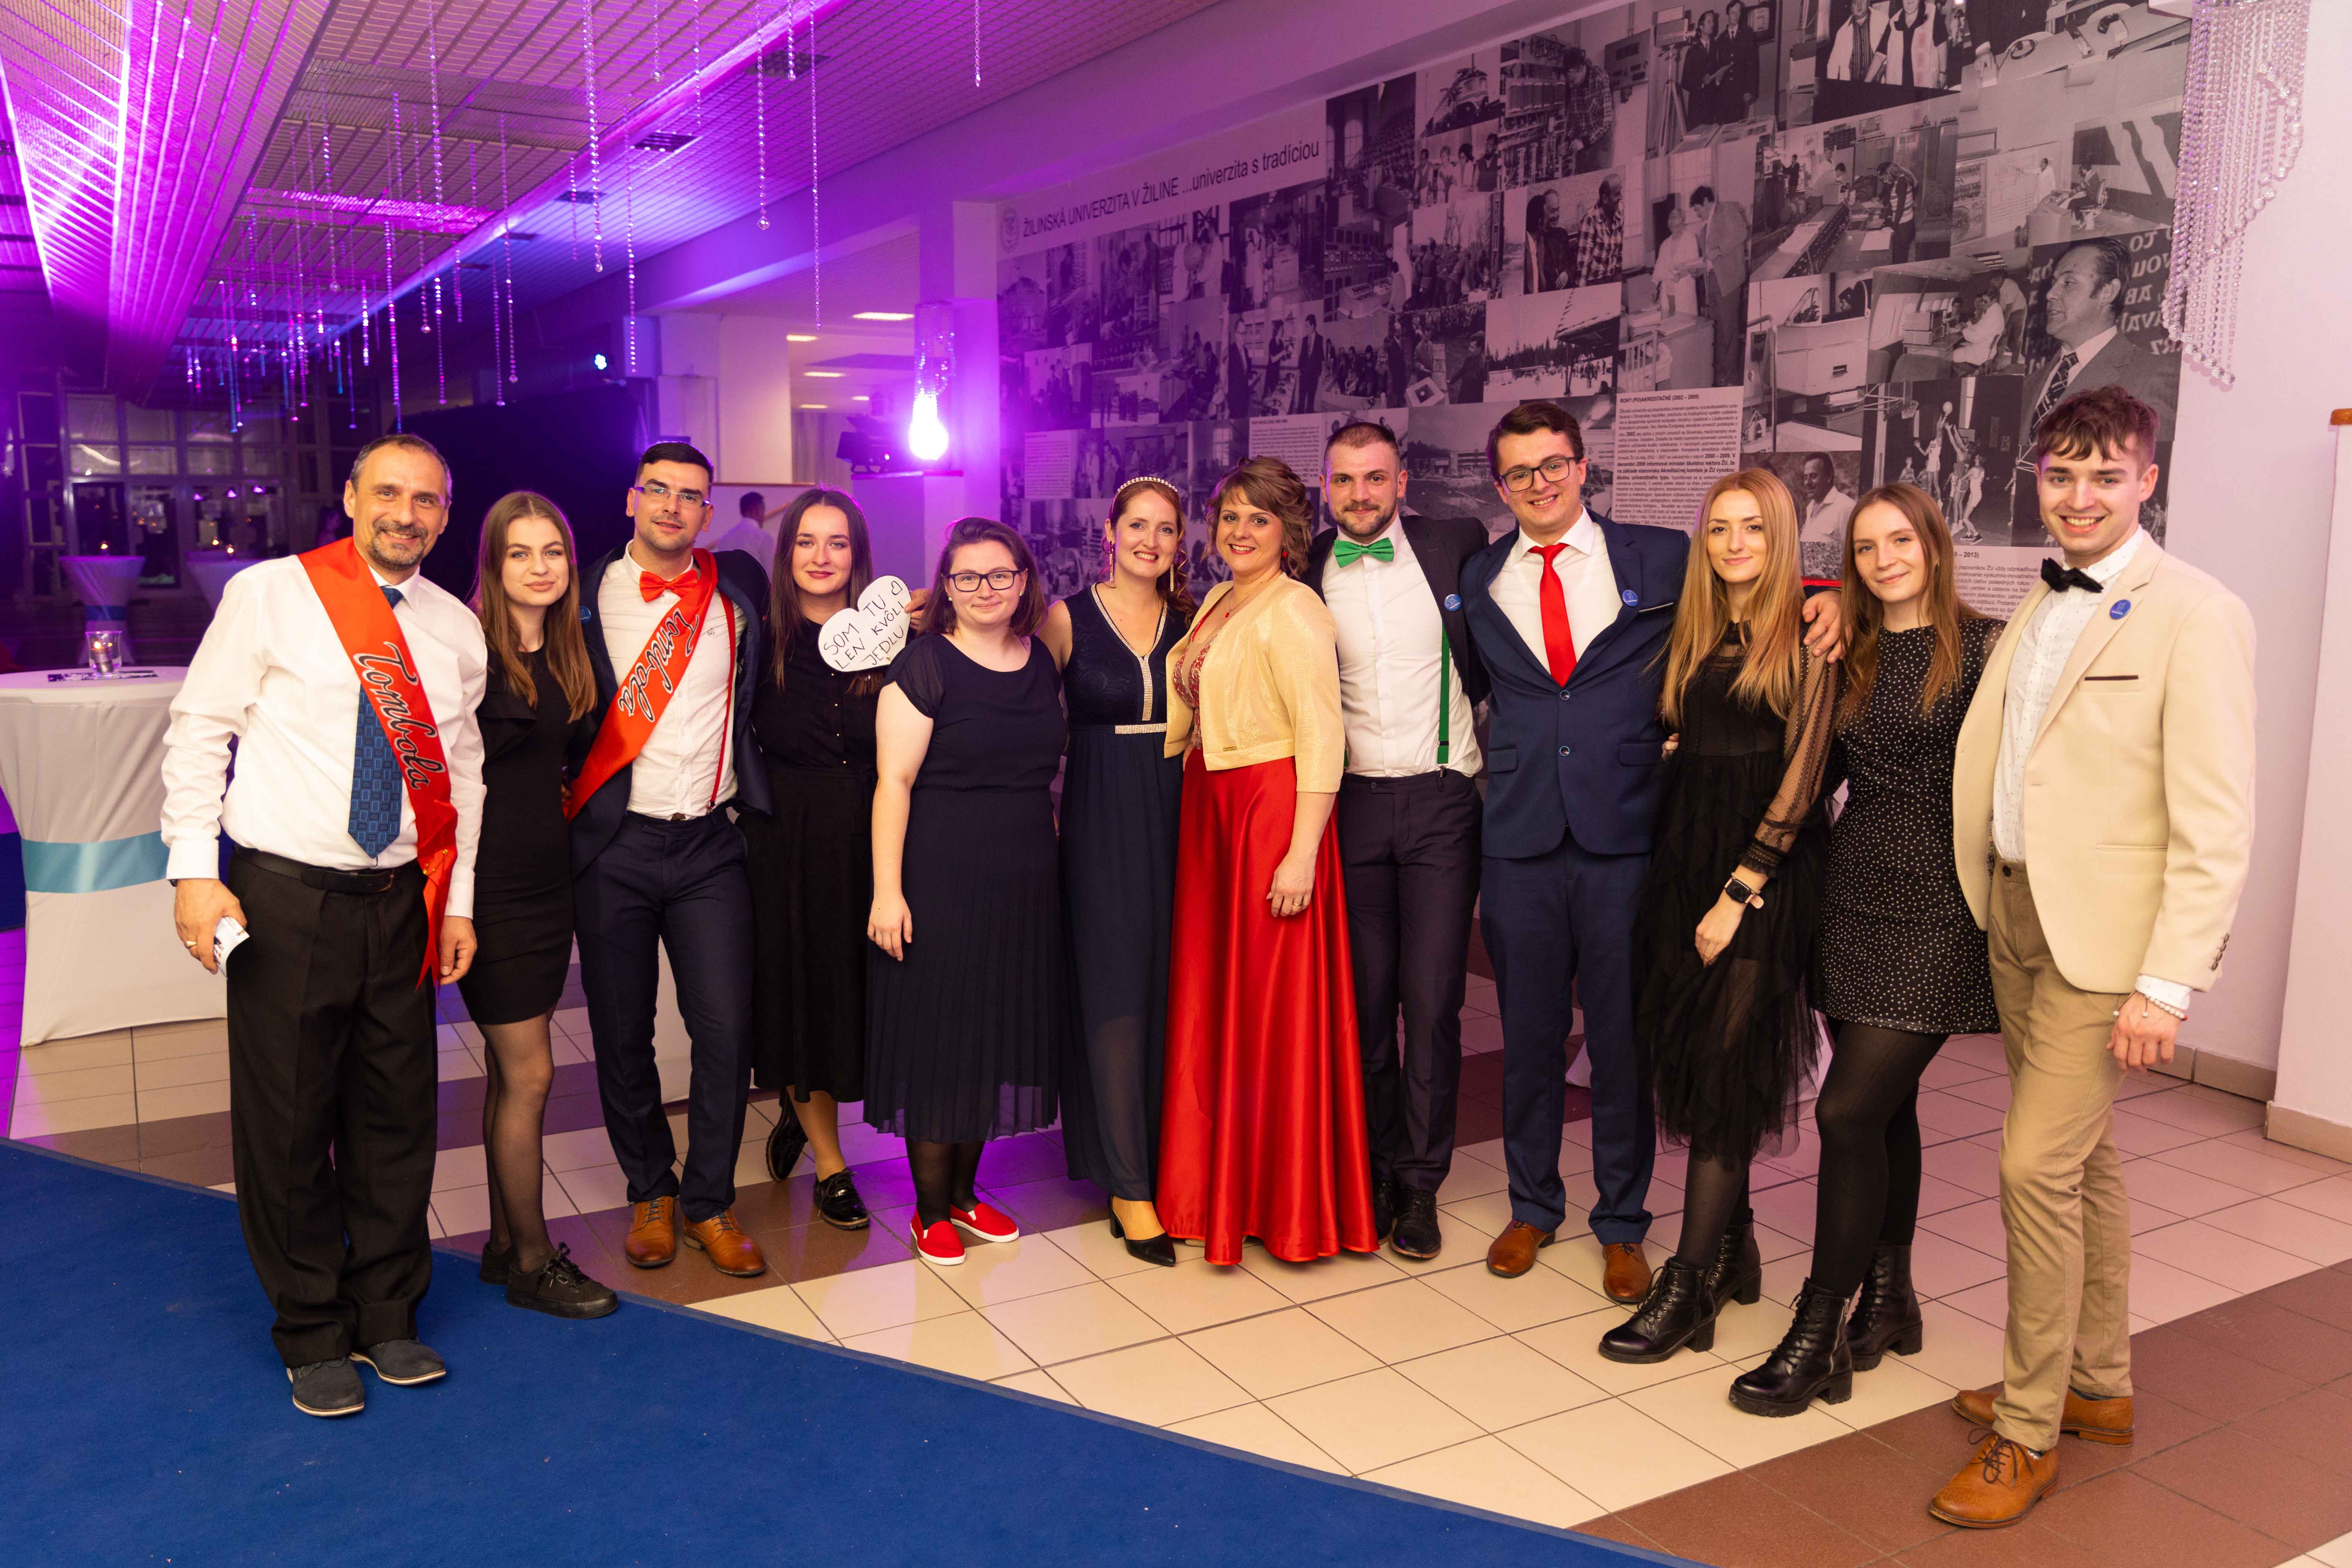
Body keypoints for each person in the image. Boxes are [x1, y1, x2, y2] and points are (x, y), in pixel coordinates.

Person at [1930, 387, 2254, 1526]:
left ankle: (2026, 1430)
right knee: (2083, 1159)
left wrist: (2165, 983)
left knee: (2031, 1167)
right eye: (2060, 475)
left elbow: (2214, 820)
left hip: (2102, 944)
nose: (2078, 498)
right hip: (2016, 912)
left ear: (2145, 481)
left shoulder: (2196, 614)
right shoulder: (2040, 596)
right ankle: (2097, 1382)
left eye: (2104, 476)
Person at [1463, 405, 1846, 1304]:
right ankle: (1531, 1205)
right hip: (1519, 834)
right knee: (1526, 1036)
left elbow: (1757, 576)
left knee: (1621, 1039)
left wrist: (1831, 598)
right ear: (1500, 486)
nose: (1538, 483)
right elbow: (1484, 683)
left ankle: (1621, 1222)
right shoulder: (1478, 575)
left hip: (1629, 835)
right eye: (1518, 472)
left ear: (1582, 466)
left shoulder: (1661, 555)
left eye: (1552, 464)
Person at [162, 433, 486, 1417]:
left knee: (396, 1120)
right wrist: (193, 873)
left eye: (424, 499)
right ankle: (310, 1328)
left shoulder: (457, 628)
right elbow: (200, 729)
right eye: (387, 492)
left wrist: (458, 901)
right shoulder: (270, 593)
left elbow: (464, 776)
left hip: (402, 901)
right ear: (350, 498)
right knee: (291, 1121)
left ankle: (386, 1313)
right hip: (286, 898)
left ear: (444, 514)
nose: (404, 513)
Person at [1727, 483, 1998, 1415]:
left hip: (1943, 908)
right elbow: (1810, 775)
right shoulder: (1852, 653)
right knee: (1886, 1112)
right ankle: (1889, 1300)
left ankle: (1818, 1331)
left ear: (1934, 546)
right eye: (1866, 548)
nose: (1884, 560)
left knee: (1845, 1113)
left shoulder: (1987, 649)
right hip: (1849, 898)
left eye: (1900, 542)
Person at [1599, 468, 1838, 1367]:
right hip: (1683, 858)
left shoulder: (1810, 635)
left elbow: (1804, 778)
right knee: (1692, 1056)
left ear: (1781, 539)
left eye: (1754, 529)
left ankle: (1688, 1284)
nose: (1736, 545)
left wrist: (1740, 890)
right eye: (1720, 529)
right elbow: (1692, 733)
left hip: (1762, 873)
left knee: (1727, 1068)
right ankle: (1734, 1248)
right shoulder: (1697, 631)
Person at [1159, 456, 1376, 1265]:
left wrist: (1300, 854)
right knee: (1216, 1000)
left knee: (1268, 1008)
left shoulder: (1295, 608)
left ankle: (1278, 1205)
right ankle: (1211, 1190)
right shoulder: (1221, 598)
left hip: (1268, 816)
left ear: (1288, 533)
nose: (1240, 531)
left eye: (1259, 519)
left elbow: (1323, 732)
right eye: (1230, 517)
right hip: (1211, 808)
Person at [571, 441, 772, 1280]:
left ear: (706, 511)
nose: (671, 506)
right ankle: (649, 1190)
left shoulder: (737, 595)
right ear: (631, 499)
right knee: (622, 1032)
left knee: (726, 1030)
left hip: (709, 845)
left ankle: (708, 1200)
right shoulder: (581, 594)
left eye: (690, 496)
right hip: (614, 846)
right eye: (657, 490)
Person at [1304, 423, 1489, 1261]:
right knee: (1366, 1005)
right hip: (1348, 804)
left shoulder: (1455, 544)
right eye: (1344, 481)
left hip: (1441, 798)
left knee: (1433, 1002)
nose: (1359, 495)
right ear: (1325, 486)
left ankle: (1420, 1185)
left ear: (1402, 481)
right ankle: (1376, 1171)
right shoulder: (1306, 566)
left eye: (1374, 478)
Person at [867, 518, 1067, 1267]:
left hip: (1023, 880)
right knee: (942, 1039)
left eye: (1000, 574)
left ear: (1023, 581)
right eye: (967, 576)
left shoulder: (1041, 660)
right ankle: (928, 1211)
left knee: (994, 1033)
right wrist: (887, 892)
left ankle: (962, 1196)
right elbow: (893, 783)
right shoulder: (925, 665)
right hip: (940, 875)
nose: (986, 589)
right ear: (946, 587)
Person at [464, 492, 619, 1319]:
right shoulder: (466, 650)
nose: (539, 567)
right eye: (520, 553)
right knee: (531, 1072)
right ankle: (531, 1259)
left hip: (545, 880)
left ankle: (501, 1245)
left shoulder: (568, 651)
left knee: (508, 1071)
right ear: (493, 565)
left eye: (552, 552)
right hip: (486, 887)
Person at [1041, 478, 1193, 1268]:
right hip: (1099, 815)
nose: (1149, 541)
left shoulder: (1197, 620)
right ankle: (1127, 1186)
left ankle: (1169, 1165)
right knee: (1113, 994)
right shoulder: (1066, 618)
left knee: (1172, 988)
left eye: (1165, 529)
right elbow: (1024, 715)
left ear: (1179, 541)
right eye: (1136, 525)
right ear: (1109, 531)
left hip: (1184, 813)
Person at [742, 490, 885, 1232]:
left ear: (857, 554)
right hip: (788, 844)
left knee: (860, 995)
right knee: (804, 998)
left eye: (837, 542)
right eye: (805, 541)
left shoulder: (892, 641)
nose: (821, 557)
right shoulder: (758, 640)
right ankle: (831, 1164)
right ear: (785, 551)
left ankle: (804, 1108)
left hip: (874, 836)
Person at [2025, 240, 2178, 440]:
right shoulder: (2030, 384)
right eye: (2054, 283)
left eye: (2068, 283)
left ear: (2108, 293)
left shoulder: (2152, 377)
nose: (2050, 294)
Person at [1692, 185, 1751, 387]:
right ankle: (1721, 373)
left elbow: (1741, 232)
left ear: (1706, 202)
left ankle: (1732, 377)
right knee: (1717, 329)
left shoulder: (1727, 209)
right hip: (1712, 281)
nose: (1697, 214)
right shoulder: (1704, 229)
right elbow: (1708, 259)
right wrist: (1697, 270)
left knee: (1730, 329)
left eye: (1697, 209)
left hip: (1728, 280)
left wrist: (1719, 250)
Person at [1562, 47, 1612, 174]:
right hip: (1582, 142)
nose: (1571, 86)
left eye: (1573, 81)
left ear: (1580, 69)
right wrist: (1567, 141)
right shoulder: (1574, 86)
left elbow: (1607, 120)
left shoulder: (1600, 77)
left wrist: (1584, 142)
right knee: (1581, 177)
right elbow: (1575, 121)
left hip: (1599, 141)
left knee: (1597, 178)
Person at [1574, 176, 1625, 286]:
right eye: (1617, 194)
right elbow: (1584, 259)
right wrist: (1583, 286)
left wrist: (1619, 274)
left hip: (1613, 278)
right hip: (1594, 282)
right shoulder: (1590, 218)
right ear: (1605, 199)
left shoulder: (1620, 211)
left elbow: (1621, 248)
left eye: (1620, 193)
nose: (1621, 197)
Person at [1656, 204, 1704, 318]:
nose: (1678, 229)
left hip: (1684, 289)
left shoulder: (1691, 239)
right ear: (1670, 226)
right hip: (1668, 290)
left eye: (1680, 225)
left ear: (1684, 223)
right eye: (1674, 226)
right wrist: (1655, 285)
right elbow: (1659, 268)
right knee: (1669, 321)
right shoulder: (1665, 244)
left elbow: (1694, 265)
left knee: (1685, 322)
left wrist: (1681, 274)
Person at [1882, 158, 1920, 264]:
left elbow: (1900, 207)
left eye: (1885, 178)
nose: (1884, 181)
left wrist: (1893, 227)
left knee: (1900, 260)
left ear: (1891, 174)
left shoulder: (1901, 182)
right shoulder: (1900, 180)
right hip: (1904, 224)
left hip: (1904, 226)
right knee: (1898, 257)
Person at [1291, 314, 1326, 414]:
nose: (1306, 329)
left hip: (1313, 378)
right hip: (1303, 376)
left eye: (1307, 326)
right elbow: (1302, 357)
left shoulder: (1321, 340)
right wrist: (1299, 370)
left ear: (1313, 326)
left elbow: (1322, 358)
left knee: (1311, 402)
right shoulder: (1304, 340)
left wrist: (1319, 373)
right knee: (1301, 401)